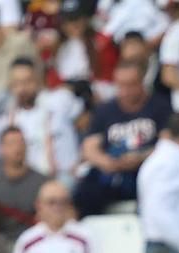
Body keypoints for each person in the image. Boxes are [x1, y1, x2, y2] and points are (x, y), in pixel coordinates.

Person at [73, 59, 170, 217]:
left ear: (141, 82)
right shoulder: (105, 110)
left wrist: (141, 157)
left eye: (131, 84)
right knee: (86, 191)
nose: (125, 91)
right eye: (121, 85)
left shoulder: (160, 106)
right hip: (113, 171)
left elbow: (169, 144)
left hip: (147, 168)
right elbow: (89, 147)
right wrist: (107, 162)